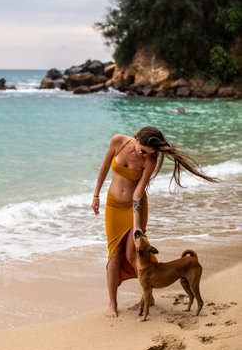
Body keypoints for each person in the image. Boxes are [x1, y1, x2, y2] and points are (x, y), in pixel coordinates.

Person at [91, 126, 218, 318]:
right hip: (113, 206)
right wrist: (96, 194)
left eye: (149, 153)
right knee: (114, 254)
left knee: (131, 253)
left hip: (135, 208)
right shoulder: (118, 141)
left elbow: (137, 194)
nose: (144, 155)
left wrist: (137, 226)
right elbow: (105, 167)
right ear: (136, 138)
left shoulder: (149, 159)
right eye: (143, 150)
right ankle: (112, 304)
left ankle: (148, 296)